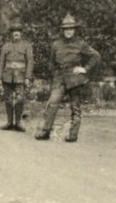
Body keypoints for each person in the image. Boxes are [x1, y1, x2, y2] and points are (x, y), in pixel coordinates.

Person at [35, 14, 100, 143]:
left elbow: (96, 56)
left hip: (75, 79)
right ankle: (45, 132)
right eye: (66, 29)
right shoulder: (56, 45)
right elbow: (51, 63)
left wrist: (85, 69)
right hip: (60, 78)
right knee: (52, 104)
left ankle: (73, 135)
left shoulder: (80, 44)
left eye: (71, 28)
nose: (68, 31)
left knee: (75, 107)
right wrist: (55, 74)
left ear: (74, 30)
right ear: (63, 30)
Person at [0, 22, 33, 132]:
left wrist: (27, 77)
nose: (16, 34)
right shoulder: (6, 46)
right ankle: (9, 122)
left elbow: (30, 62)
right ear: (11, 34)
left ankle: (18, 123)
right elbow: (1, 63)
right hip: (7, 75)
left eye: (18, 32)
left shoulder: (27, 46)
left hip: (20, 76)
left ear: (21, 33)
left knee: (19, 99)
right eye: (14, 32)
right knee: (7, 99)